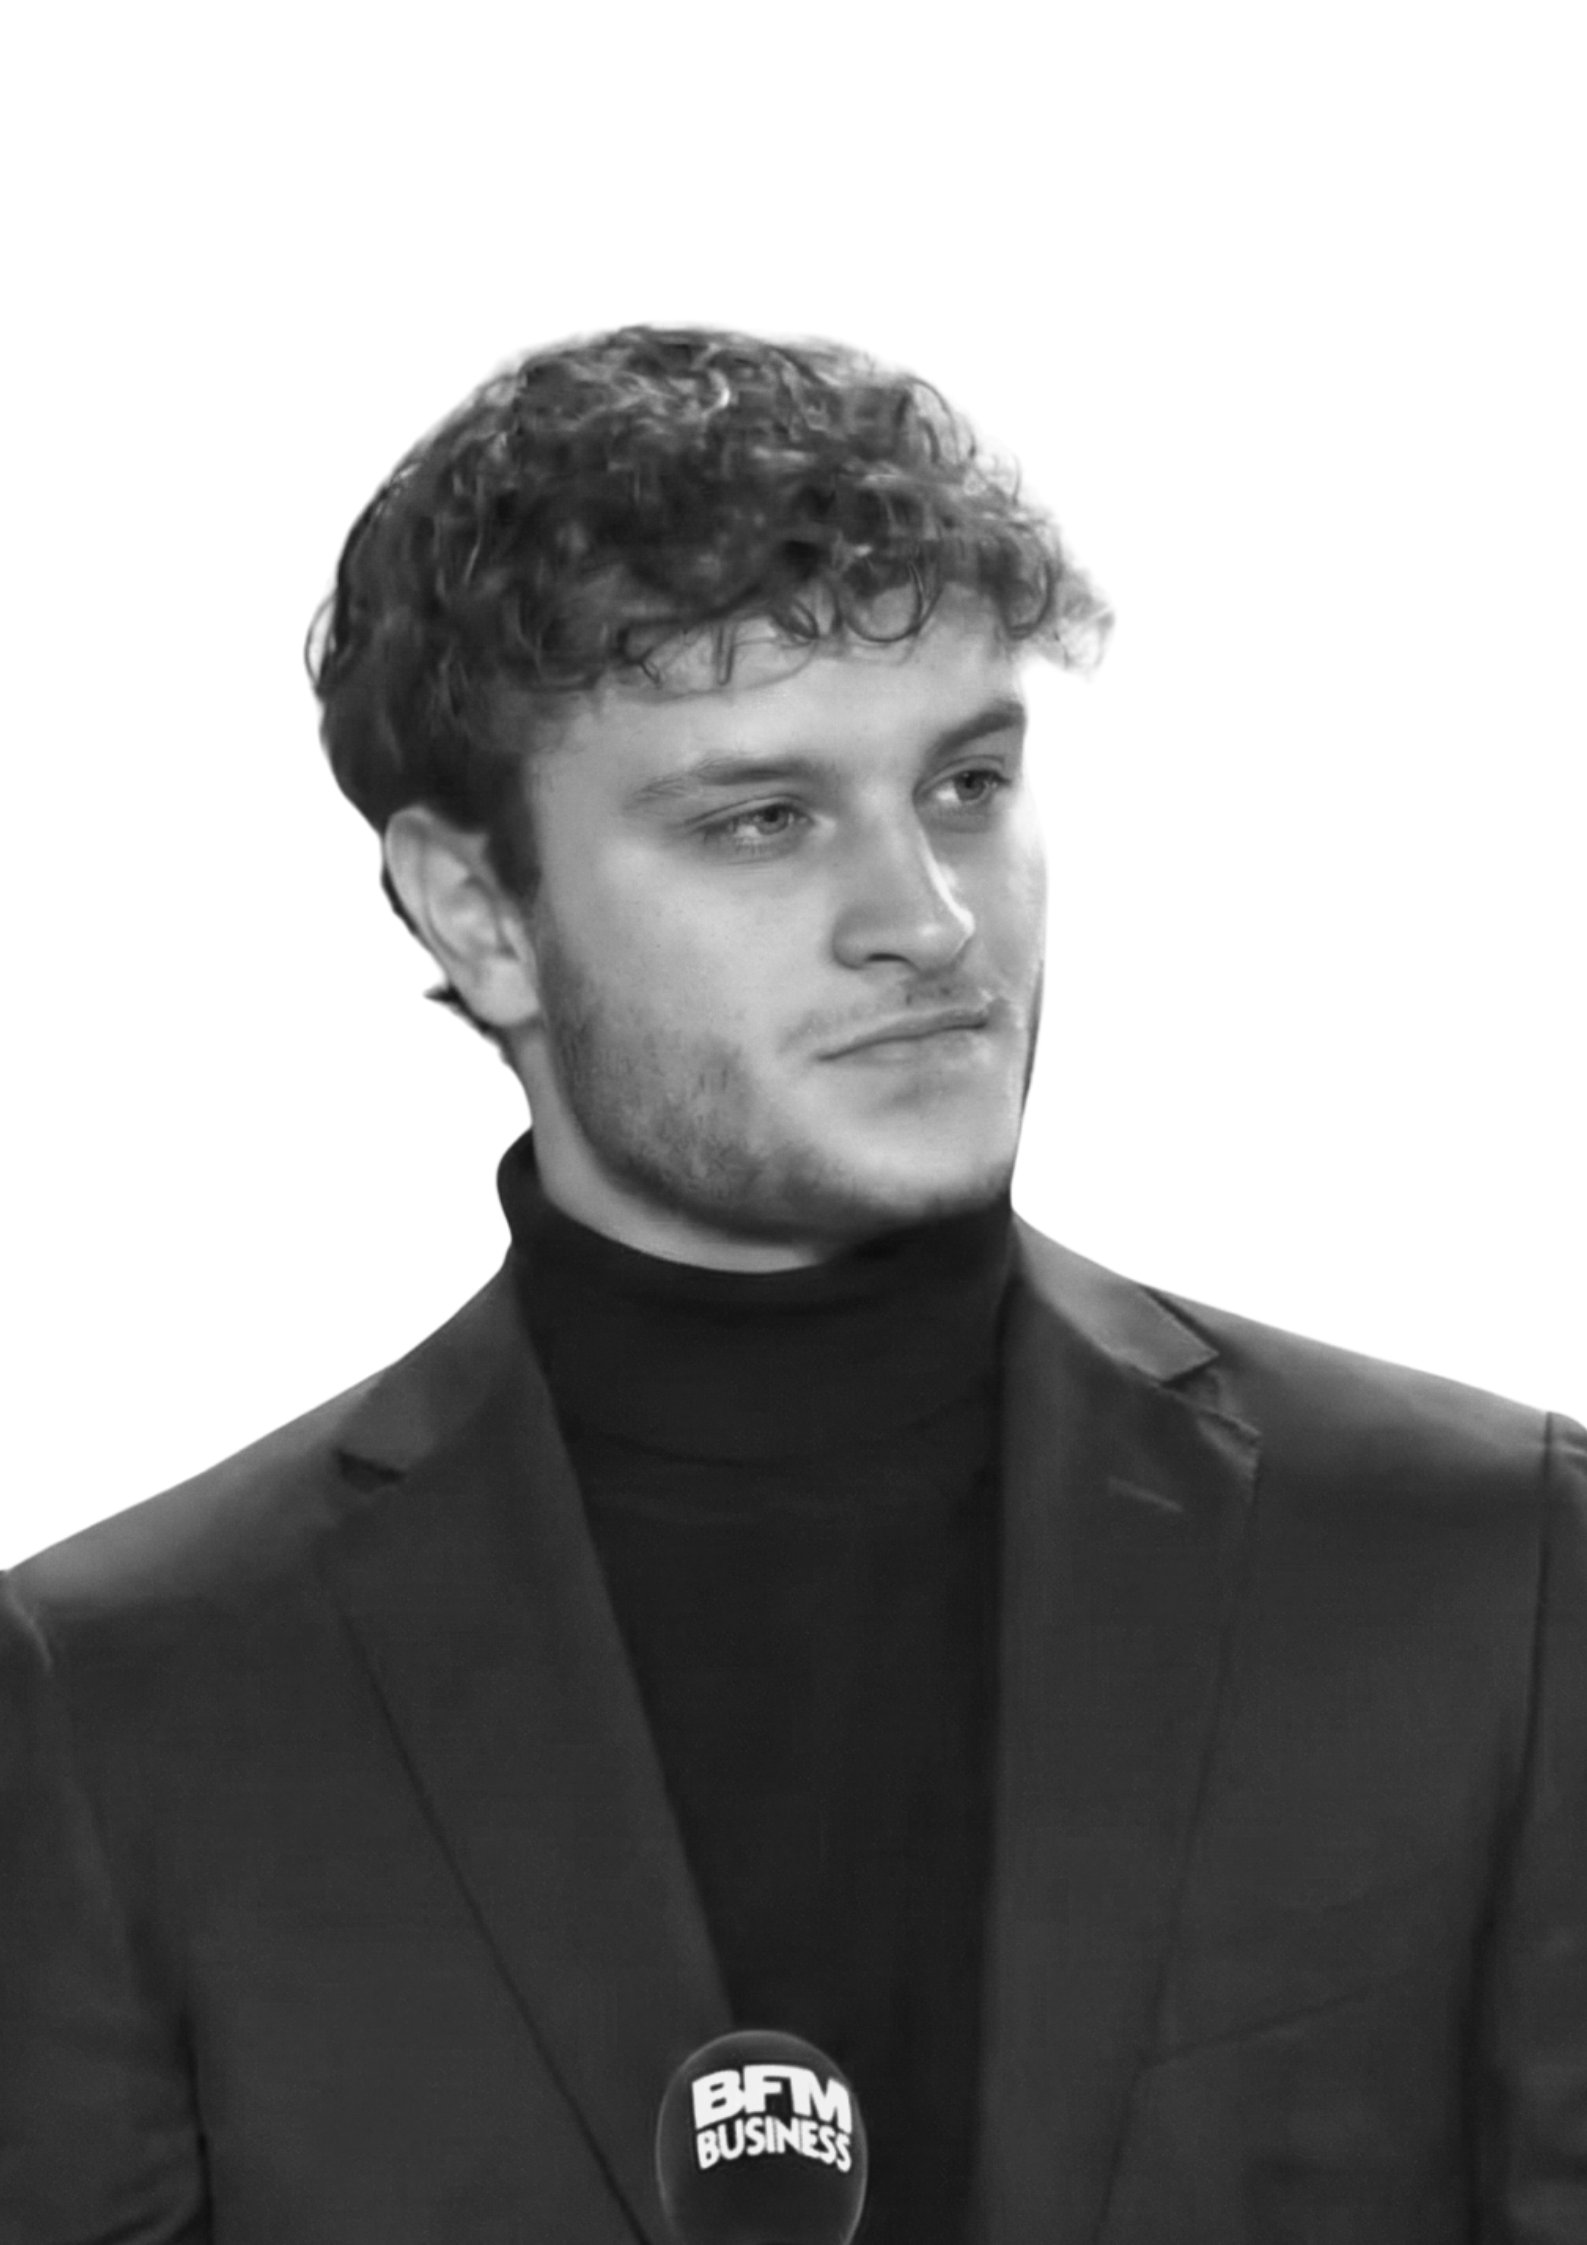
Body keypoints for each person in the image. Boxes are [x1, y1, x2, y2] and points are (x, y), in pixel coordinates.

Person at [0, 322, 1579, 2245]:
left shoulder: (1493, 1560)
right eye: (763, 819)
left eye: (969, 782)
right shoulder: (119, 1690)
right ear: (476, 915)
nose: (927, 921)